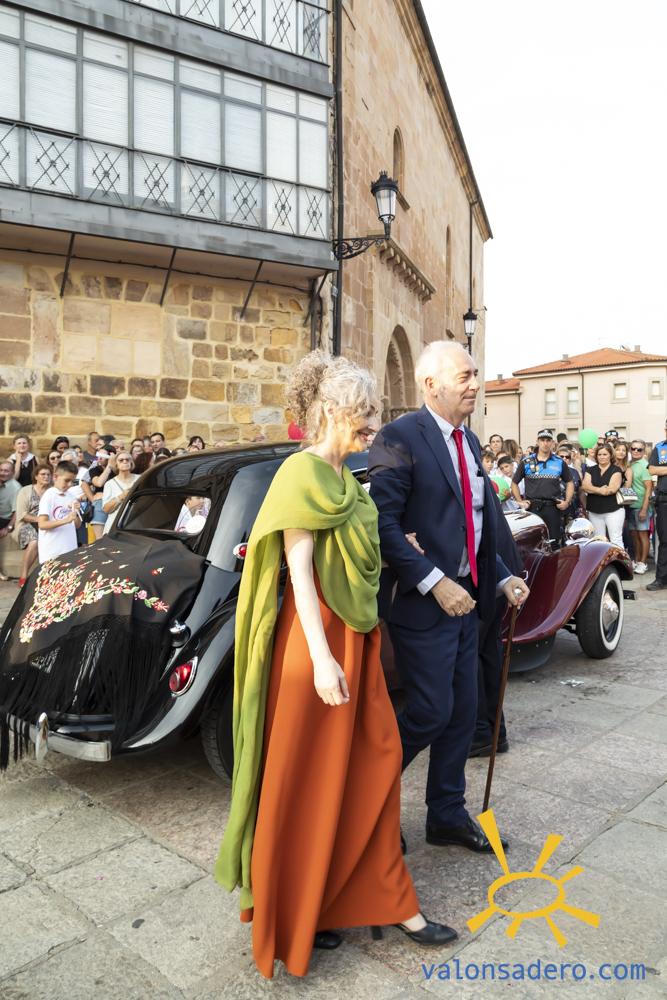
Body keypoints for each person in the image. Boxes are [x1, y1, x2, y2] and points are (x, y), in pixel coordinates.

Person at [216, 351, 456, 981]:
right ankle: (305, 910)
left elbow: (362, 546)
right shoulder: (300, 474)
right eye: (364, 413)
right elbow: (298, 574)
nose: (374, 424)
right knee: (307, 783)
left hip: (358, 639)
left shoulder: (348, 481)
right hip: (316, 648)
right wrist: (323, 663)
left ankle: (384, 899)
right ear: (332, 412)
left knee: (373, 766)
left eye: (374, 411)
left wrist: (402, 546)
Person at [368, 341, 528, 856]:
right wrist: (435, 582)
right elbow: (383, 525)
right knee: (430, 712)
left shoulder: (470, 441)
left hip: (470, 605)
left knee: (463, 713)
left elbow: (472, 529)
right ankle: (368, 806)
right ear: (430, 384)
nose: (475, 384)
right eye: (465, 376)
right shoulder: (399, 436)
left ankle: (446, 814)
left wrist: (501, 577)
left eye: (476, 373)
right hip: (423, 606)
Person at [511, 430, 574, 546]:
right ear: (537, 442)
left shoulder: (559, 462)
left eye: (548, 440)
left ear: (553, 443)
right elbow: (514, 483)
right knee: (532, 543)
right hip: (532, 508)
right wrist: (520, 501)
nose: (545, 443)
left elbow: (570, 482)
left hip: (553, 508)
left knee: (553, 543)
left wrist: (567, 501)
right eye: (542, 440)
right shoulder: (526, 461)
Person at [14, 464, 52, 586]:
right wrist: (40, 520)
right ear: (36, 476)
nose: (46, 477)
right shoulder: (25, 491)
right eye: (43, 474)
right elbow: (22, 514)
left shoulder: (52, 491)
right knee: (35, 540)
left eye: (48, 474)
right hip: (27, 524)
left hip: (49, 524)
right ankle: (23, 576)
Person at [37, 460, 81, 563]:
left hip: (70, 549)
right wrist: (66, 520)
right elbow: (42, 524)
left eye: (72, 481)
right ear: (55, 477)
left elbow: (77, 525)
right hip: (51, 552)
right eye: (67, 480)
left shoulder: (71, 496)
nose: (70, 484)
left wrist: (76, 512)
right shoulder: (49, 495)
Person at [581, 444, 625, 549]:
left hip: (613, 510)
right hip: (594, 511)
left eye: (605, 454)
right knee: (598, 541)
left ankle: (620, 560)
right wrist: (600, 490)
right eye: (599, 454)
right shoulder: (590, 470)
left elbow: (611, 489)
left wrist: (593, 489)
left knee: (616, 540)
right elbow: (585, 486)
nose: (602, 457)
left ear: (610, 455)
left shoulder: (616, 470)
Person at [647, 421, 667, 591]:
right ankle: (661, 579)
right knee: (664, 541)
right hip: (664, 501)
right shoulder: (660, 448)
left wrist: (663, 469)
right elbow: (652, 470)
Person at [628, 440, 653, 575]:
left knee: (643, 535)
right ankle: (637, 561)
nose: (636, 451)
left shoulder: (645, 465)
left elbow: (649, 488)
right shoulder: (631, 464)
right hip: (631, 506)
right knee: (634, 535)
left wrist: (644, 508)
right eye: (633, 448)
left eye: (639, 449)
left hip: (641, 506)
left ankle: (643, 563)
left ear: (644, 451)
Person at [102, 451, 138, 534]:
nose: (125, 462)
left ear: (131, 462)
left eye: (127, 459)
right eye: (121, 460)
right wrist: (121, 497)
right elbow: (106, 509)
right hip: (115, 526)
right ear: (116, 464)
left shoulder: (139, 479)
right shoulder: (110, 484)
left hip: (135, 525)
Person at [0, 460, 21, 580]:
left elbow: (17, 511)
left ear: (13, 473)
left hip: (5, 519)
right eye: (1, 470)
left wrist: (8, 528)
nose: (3, 473)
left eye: (6, 471)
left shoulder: (15, 488)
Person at [88, 450, 117, 539]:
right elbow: (99, 483)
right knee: (100, 539)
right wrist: (109, 466)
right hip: (99, 504)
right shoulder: (94, 469)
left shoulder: (118, 470)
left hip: (115, 502)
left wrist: (112, 464)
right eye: (98, 455)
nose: (99, 458)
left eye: (103, 456)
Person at [556, 442, 584, 520]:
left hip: (573, 509)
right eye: (561, 456)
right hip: (557, 509)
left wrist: (584, 508)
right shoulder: (551, 472)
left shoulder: (575, 472)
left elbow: (580, 492)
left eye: (567, 457)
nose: (564, 458)